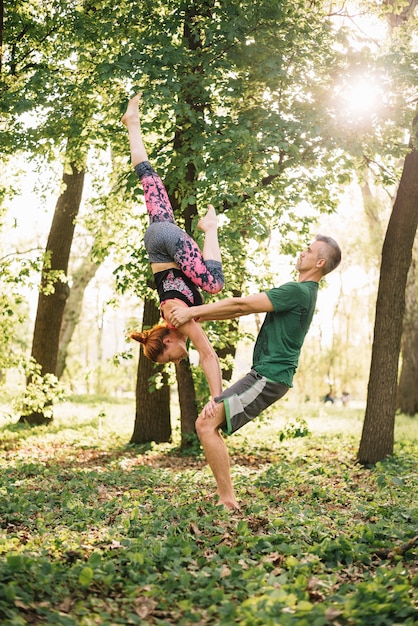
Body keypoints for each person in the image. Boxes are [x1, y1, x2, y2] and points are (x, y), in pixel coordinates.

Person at [166, 235, 342, 509]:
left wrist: (193, 312)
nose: (302, 252)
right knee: (207, 424)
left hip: (268, 377)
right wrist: (195, 315)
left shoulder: (299, 292)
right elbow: (239, 311)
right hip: (265, 376)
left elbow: (241, 305)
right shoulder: (302, 292)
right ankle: (226, 497)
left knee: (205, 424)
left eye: (308, 251)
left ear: (319, 263)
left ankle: (227, 500)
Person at [122, 94, 224, 399]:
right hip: (156, 239)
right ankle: (132, 123)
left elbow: (207, 355)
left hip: (164, 243)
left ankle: (210, 228)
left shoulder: (179, 315)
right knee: (148, 179)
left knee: (215, 284)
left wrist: (217, 397)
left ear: (168, 341)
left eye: (171, 357)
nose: (178, 360)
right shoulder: (174, 314)